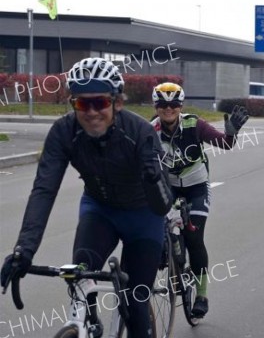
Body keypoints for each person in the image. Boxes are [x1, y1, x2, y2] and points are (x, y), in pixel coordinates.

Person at [0, 57, 173, 338]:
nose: (91, 112)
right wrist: (24, 250)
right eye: (82, 104)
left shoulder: (140, 133)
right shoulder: (64, 132)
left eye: (100, 102)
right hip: (100, 211)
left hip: (143, 215)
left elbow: (162, 205)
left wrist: (154, 179)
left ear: (117, 103)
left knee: (136, 300)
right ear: (73, 104)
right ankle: (85, 324)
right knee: (78, 275)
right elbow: (44, 190)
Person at [150, 82, 248, 317]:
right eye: (162, 104)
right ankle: (169, 255)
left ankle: (201, 295)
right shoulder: (150, 131)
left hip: (197, 187)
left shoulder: (194, 124)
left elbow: (225, 143)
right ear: (156, 106)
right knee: (154, 227)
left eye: (174, 104)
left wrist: (232, 132)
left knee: (194, 237)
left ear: (180, 106)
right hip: (169, 188)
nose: (168, 108)